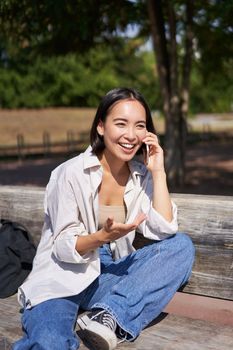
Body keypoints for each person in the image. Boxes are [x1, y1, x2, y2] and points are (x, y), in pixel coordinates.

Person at [13, 87, 195, 350]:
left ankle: (108, 317)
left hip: (107, 276)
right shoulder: (70, 173)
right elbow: (63, 247)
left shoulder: (141, 175)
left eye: (140, 126)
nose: (131, 135)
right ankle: (105, 314)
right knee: (49, 342)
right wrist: (102, 237)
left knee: (181, 246)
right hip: (61, 277)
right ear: (101, 126)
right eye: (121, 124)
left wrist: (158, 172)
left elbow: (164, 230)